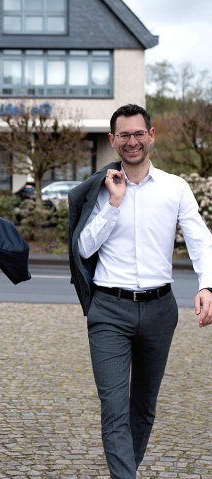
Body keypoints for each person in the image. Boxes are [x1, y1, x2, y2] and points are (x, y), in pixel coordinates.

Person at [68, 104, 212, 478]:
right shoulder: (100, 190)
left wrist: (207, 285)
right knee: (114, 407)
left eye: (138, 134)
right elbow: (83, 248)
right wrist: (114, 203)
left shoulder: (174, 187)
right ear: (113, 140)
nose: (132, 142)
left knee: (143, 406)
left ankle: (125, 469)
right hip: (108, 311)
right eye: (124, 135)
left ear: (151, 136)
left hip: (159, 310)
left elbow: (200, 241)